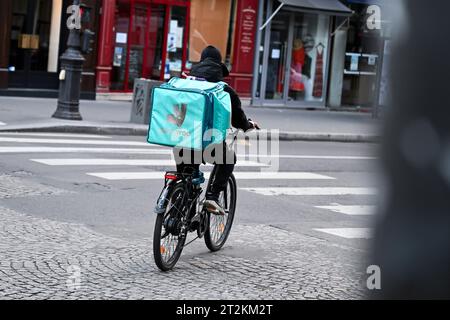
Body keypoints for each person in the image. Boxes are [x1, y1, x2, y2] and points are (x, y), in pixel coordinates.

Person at [174, 46, 260, 215]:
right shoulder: (223, 90)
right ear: (219, 67)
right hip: (208, 145)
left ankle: (178, 210)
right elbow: (237, 118)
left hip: (181, 141)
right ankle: (212, 197)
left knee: (186, 178)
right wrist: (247, 125)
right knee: (229, 158)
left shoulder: (185, 84)